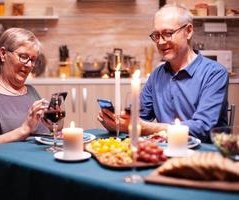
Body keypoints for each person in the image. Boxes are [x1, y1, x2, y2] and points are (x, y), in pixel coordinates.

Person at [98, 4, 229, 143]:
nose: (160, 42)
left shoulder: (215, 74)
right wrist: (117, 123)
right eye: (156, 35)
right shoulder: (157, 75)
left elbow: (203, 128)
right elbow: (139, 118)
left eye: (168, 33)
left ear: (189, 31)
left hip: (204, 156)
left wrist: (145, 127)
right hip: (163, 154)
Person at [0, 27, 61, 150]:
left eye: (32, 60)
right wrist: (24, 130)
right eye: (23, 56)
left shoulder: (31, 91)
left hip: (41, 160)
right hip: (10, 166)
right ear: (3, 54)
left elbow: (45, 136)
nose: (29, 65)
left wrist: (56, 125)